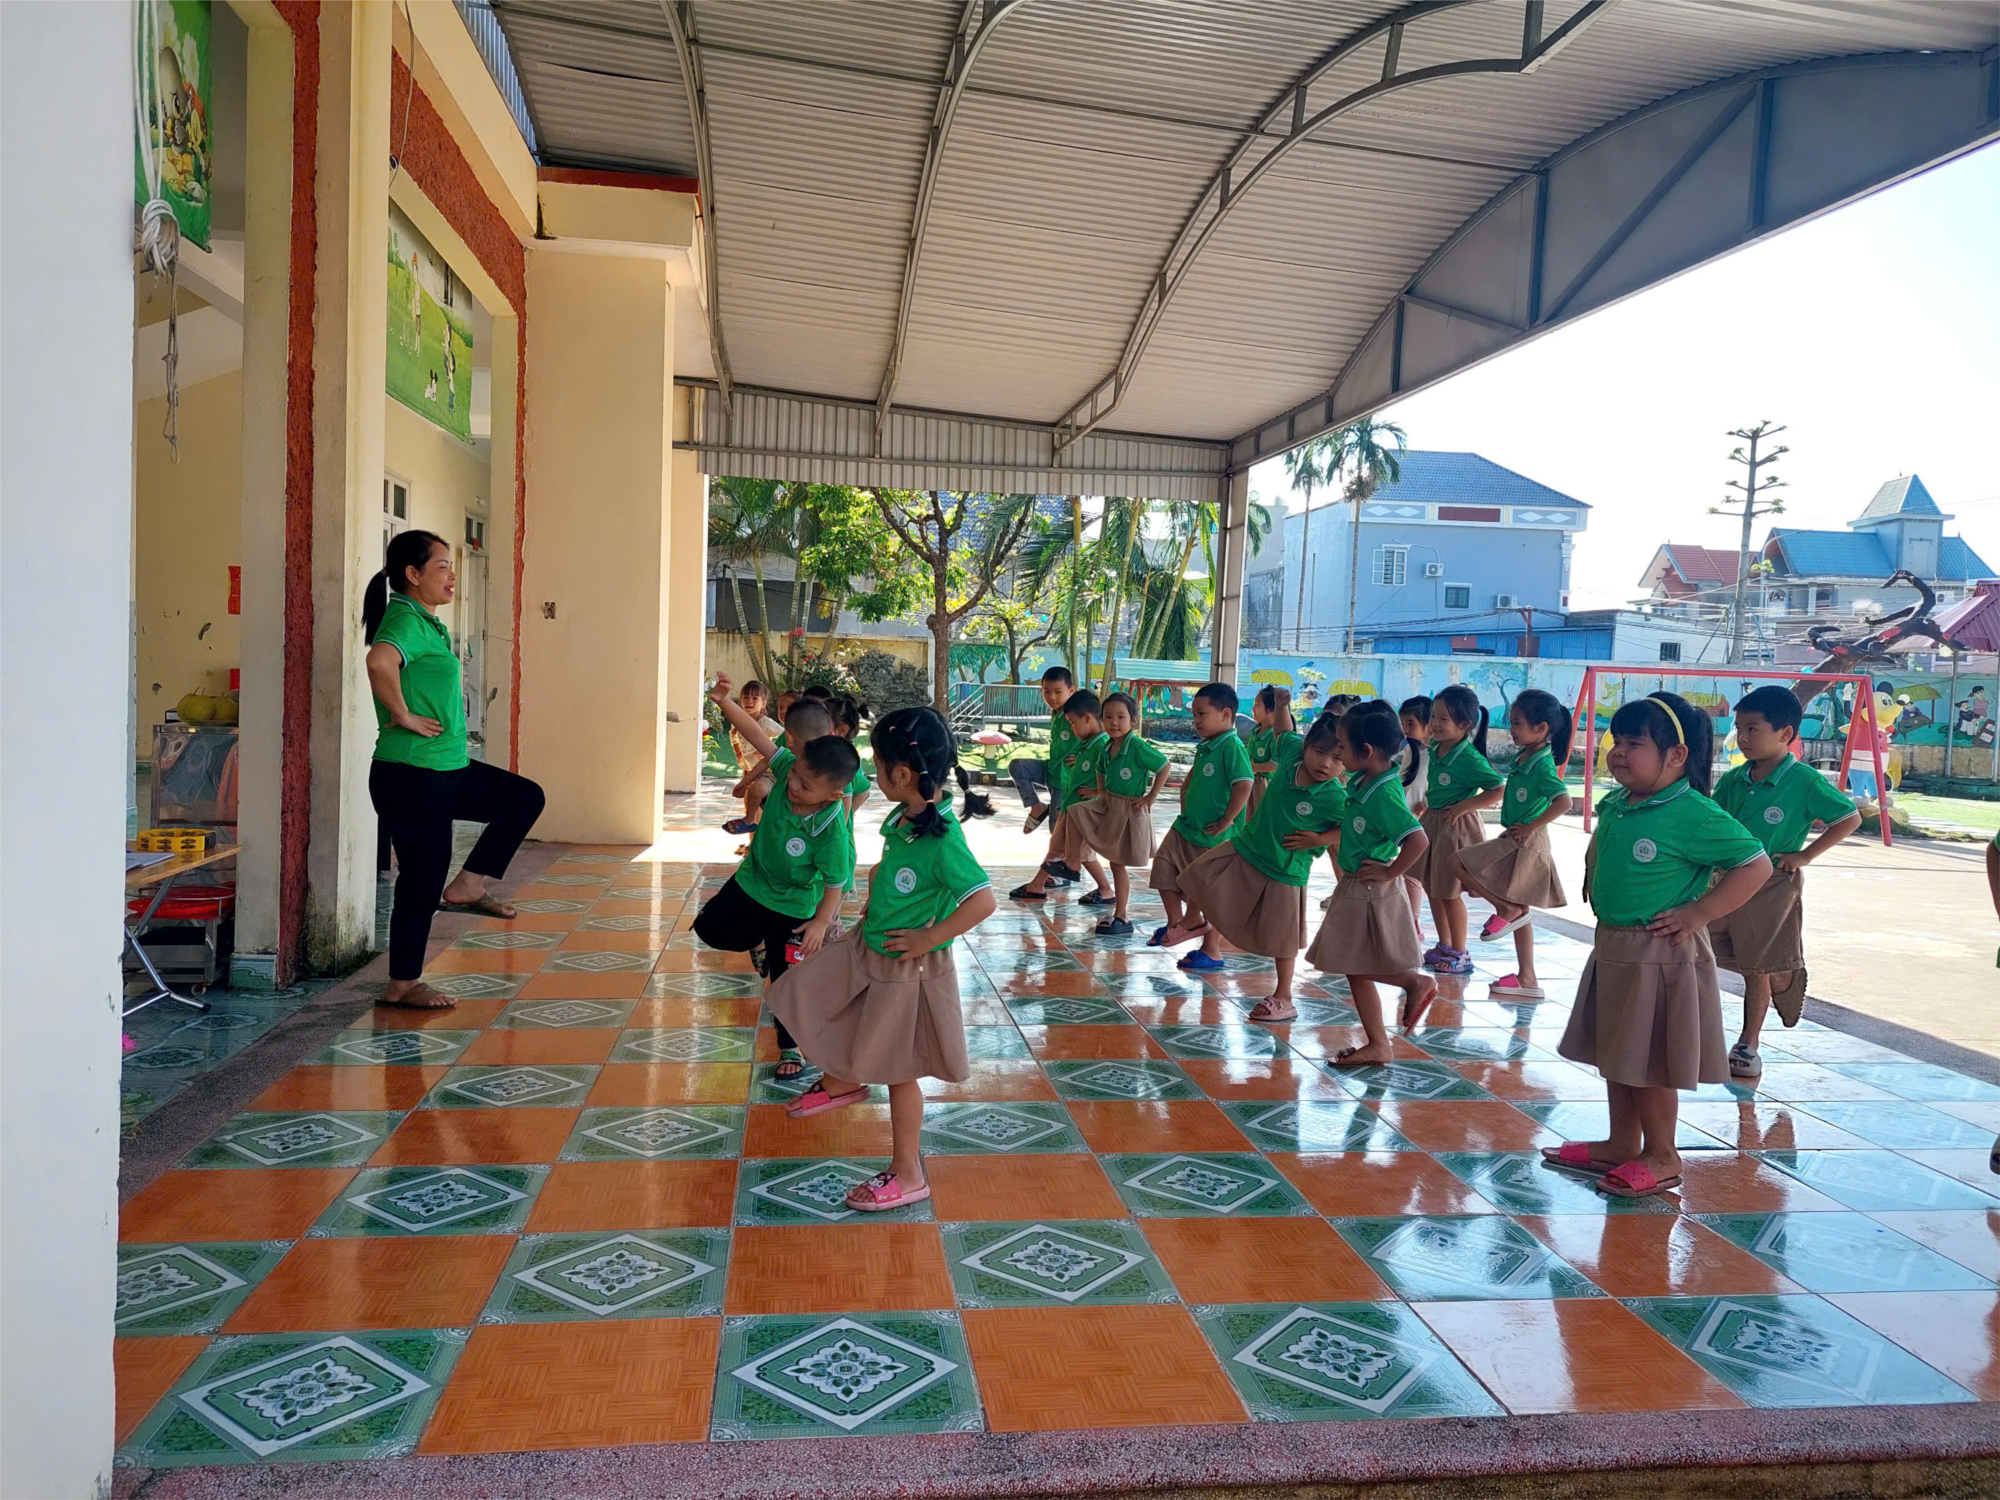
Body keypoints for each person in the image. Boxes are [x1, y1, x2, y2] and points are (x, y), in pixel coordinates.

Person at [769, 706, 997, 1211]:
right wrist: (877, 892)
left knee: (899, 1071)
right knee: (811, 993)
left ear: (902, 774)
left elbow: (982, 901)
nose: (872, 772)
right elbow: (891, 864)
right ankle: (845, 1078)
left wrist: (927, 938)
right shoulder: (906, 817)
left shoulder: (944, 839)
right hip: (873, 942)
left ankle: (908, 1172)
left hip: (907, 965)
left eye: (877, 764)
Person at [1547, 692, 1771, 1199]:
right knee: (1618, 1054)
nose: (1619, 753)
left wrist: (1700, 913)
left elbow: (1754, 864)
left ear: (1676, 755)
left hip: (1659, 954)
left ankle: (1663, 1155)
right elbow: (1606, 845)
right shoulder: (1621, 802)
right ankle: (1622, 1143)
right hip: (1614, 946)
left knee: (1649, 1063)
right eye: (1616, 742)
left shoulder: (1692, 812)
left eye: (1635, 744)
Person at [364, 529, 545, 1011]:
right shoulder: (404, 620)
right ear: (412, 574)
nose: (451, 576)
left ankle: (468, 885)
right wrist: (402, 715)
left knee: (524, 798)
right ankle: (402, 984)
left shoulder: (426, 622)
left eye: (451, 567)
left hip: (445, 769)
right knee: (421, 880)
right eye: (442, 566)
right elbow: (379, 662)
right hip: (411, 774)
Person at [698, 679, 859, 1082]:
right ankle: (757, 942)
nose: (793, 787)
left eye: (805, 787)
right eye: (794, 777)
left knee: (787, 982)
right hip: (752, 883)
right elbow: (754, 732)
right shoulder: (790, 766)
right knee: (709, 929)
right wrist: (724, 701)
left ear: (832, 795)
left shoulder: (831, 831)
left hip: (793, 906)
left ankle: (791, 1048)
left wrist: (821, 922)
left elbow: (836, 880)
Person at [1710, 685, 1863, 1079]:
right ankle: (1785, 974)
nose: (1742, 738)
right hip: (1726, 879)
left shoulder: (1804, 781)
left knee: (1757, 965)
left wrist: (1805, 855)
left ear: (1785, 734)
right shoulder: (1734, 779)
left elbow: (1849, 818)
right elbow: (1712, 823)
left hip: (1774, 885)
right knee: (1703, 948)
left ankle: (1748, 1043)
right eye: (1739, 729)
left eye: (1752, 729)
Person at [1177, 711, 1348, 1021]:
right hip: (1248, 847)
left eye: (1337, 758)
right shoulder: (1291, 755)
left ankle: (1283, 997)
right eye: (1320, 752)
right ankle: (1195, 921)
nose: (1325, 763)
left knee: (1283, 940)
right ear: (1306, 746)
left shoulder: (1336, 797)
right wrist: (1281, 706)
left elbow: (1356, 827)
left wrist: (1320, 838)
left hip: (1286, 871)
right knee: (1195, 876)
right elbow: (1283, 732)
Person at [1306, 702, 1436, 1060]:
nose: (1338, 755)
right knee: (1355, 968)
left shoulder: (1381, 794)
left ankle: (1414, 983)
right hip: (1356, 883)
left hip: (1368, 887)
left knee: (1354, 964)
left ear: (1366, 751)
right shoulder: (1369, 781)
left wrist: (1390, 871)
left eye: (1342, 748)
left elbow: (1418, 839)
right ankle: (1378, 1044)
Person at [1452, 690, 1574, 1001]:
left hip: (1526, 841)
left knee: (1458, 862)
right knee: (1522, 910)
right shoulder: (1525, 757)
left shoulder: (1542, 765)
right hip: (1516, 837)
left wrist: (1531, 826)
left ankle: (1506, 911)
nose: (1511, 729)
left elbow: (1564, 801)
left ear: (1541, 728)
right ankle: (1527, 977)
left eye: (1517, 723)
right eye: (1512, 722)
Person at [1153, 682, 1256, 970]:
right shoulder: (1207, 746)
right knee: (1163, 865)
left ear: (1225, 714)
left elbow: (1244, 785)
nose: (1196, 721)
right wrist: (1185, 802)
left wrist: (1227, 820)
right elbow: (1192, 781)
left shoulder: (1232, 747)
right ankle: (1180, 921)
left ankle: (1212, 950)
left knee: (1211, 891)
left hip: (1214, 833)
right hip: (1188, 826)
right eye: (1194, 715)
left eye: (1202, 714)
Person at [1065, 692, 1171, 935]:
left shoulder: (1137, 746)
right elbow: (1100, 770)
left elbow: (1164, 766)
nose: (1114, 722)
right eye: (1108, 717)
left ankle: (1121, 915)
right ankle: (1072, 861)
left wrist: (1152, 796)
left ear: (1133, 720)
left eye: (1121, 717)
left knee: (1118, 864)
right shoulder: (1107, 746)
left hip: (1130, 810)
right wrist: (1100, 791)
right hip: (1109, 804)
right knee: (1075, 811)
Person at [1421, 685, 1504, 976]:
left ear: (1465, 725)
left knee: (1450, 892)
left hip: (1455, 827)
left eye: (1443, 719)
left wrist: (1464, 806)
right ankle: (1444, 944)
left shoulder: (1468, 757)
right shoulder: (1436, 747)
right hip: (1433, 821)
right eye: (1433, 716)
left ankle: (1461, 951)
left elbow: (1498, 788)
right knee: (1433, 887)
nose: (1435, 723)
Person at [1010, 691, 1114, 906]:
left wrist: (1096, 792)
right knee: (1057, 847)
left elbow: (1111, 777)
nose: (1072, 729)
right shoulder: (1086, 745)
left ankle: (1106, 890)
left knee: (1082, 854)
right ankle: (1036, 886)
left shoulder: (1102, 745)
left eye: (1073, 723)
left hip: (1084, 811)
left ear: (1087, 718)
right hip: (1070, 807)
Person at [1395, 697, 1434, 935]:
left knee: (1413, 873)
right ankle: (1409, 920)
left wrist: (1427, 806)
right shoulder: (1412, 750)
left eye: (1411, 723)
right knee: (1409, 873)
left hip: (1422, 819)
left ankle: (1413, 922)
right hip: (1406, 815)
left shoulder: (1437, 755)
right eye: (1403, 723)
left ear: (1430, 725)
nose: (1405, 729)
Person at [724, 680, 783, 835]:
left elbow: (784, 737)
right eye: (746, 697)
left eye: (755, 698)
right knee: (748, 804)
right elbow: (734, 737)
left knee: (760, 806)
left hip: (765, 772)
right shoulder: (738, 720)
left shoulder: (766, 723)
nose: (749, 701)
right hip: (748, 769)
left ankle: (757, 838)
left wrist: (770, 750)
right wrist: (738, 753)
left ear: (764, 703)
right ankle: (751, 839)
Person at [1245, 686, 1298, 816]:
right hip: (1250, 778)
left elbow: (1276, 764)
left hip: (1264, 783)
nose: (1253, 709)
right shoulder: (1256, 731)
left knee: (1261, 814)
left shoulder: (1274, 736)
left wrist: (1255, 767)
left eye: (1257, 704)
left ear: (1272, 709)